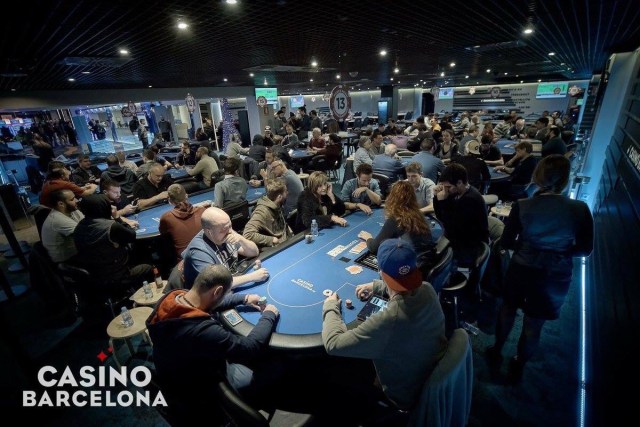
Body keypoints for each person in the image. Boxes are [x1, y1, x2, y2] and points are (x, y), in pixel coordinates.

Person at [486, 155, 593, 383]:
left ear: (538, 176)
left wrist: (527, 247)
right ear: (565, 179)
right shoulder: (581, 209)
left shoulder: (522, 205)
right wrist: (559, 252)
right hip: (554, 276)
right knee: (534, 325)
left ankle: (496, 350)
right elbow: (585, 250)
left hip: (521, 269)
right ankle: (518, 365)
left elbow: (506, 242)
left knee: (507, 310)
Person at [322, 238, 447, 410]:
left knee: (340, 374)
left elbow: (333, 344)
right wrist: (377, 286)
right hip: (431, 374)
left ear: (380, 272)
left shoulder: (390, 319)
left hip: (405, 395)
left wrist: (330, 306)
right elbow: (405, 290)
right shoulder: (427, 289)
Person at [147, 264, 279, 421]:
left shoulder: (172, 298)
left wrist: (244, 298)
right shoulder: (203, 331)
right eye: (223, 295)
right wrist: (269, 315)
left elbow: (204, 305)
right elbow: (249, 348)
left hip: (176, 374)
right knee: (264, 372)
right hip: (200, 388)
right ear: (217, 292)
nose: (223, 298)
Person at [74, 194, 153, 296]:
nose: (112, 206)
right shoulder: (111, 226)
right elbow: (132, 235)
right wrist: (117, 217)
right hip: (116, 276)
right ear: (102, 207)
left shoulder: (79, 227)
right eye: (108, 204)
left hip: (94, 276)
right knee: (148, 265)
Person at [180, 207, 269, 289]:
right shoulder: (199, 252)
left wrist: (241, 239)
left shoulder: (225, 231)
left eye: (230, 226)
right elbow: (217, 284)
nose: (230, 231)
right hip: (209, 296)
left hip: (230, 280)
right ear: (209, 232)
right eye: (224, 229)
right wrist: (251, 277)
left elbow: (254, 252)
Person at [358, 180, 436, 270]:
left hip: (411, 267)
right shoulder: (418, 213)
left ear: (392, 198)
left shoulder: (395, 219)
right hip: (428, 261)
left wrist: (368, 238)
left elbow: (374, 248)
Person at [433, 163, 489, 266]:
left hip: (470, 246)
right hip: (459, 238)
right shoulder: (457, 192)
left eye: (448, 187)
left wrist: (442, 201)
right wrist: (436, 198)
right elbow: (440, 216)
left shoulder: (470, 200)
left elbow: (450, 227)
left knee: (432, 258)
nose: (445, 190)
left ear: (459, 182)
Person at [159, 183, 210, 262]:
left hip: (185, 261)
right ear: (186, 196)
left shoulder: (166, 218)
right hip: (208, 254)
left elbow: (164, 236)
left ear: (170, 201)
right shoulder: (202, 211)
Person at [242, 178, 293, 249]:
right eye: (285, 191)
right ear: (279, 197)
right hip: (276, 248)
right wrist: (271, 240)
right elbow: (247, 234)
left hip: (286, 242)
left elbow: (282, 224)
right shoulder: (262, 211)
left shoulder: (278, 204)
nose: (287, 193)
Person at [41, 189, 84, 263]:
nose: (77, 200)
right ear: (61, 204)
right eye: (72, 199)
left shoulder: (71, 210)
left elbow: (85, 222)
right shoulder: (58, 220)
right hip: (66, 261)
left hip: (75, 252)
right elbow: (87, 235)